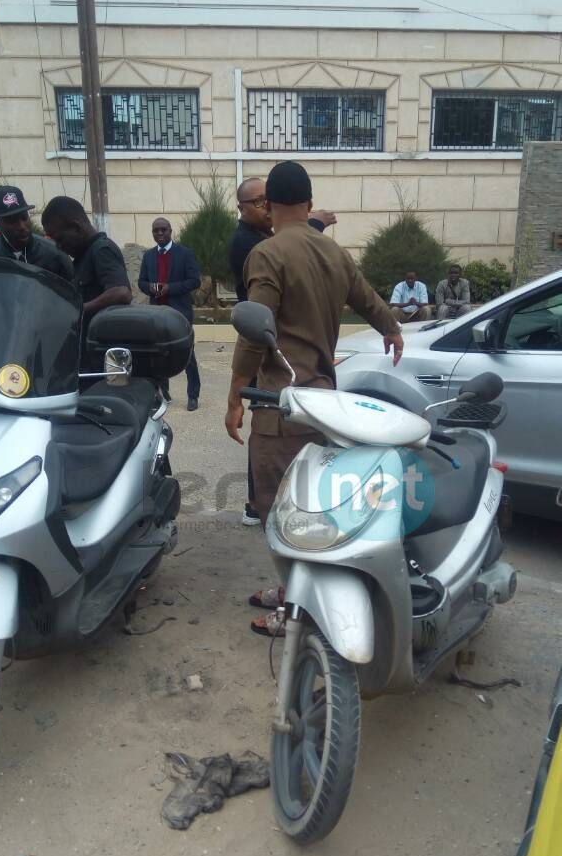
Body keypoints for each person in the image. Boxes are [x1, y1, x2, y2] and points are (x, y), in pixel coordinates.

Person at [225, 161, 403, 636]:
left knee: (276, 510)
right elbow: (368, 298)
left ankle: (296, 611)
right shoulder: (333, 252)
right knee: (309, 506)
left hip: (281, 405)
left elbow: (254, 329)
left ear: (270, 204)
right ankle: (291, 594)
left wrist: (234, 395)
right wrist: (392, 328)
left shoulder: (268, 253)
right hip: (324, 403)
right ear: (308, 201)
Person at [228, 176, 337, 525]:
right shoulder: (250, 245)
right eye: (258, 202)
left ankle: (277, 512)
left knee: (285, 440)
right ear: (243, 209)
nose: (265, 208)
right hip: (268, 352)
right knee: (268, 430)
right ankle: (260, 505)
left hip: (284, 353)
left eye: (267, 201)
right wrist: (234, 395)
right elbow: (254, 333)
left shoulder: (267, 241)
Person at [41, 196, 132, 364]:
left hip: (103, 357)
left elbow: (121, 292)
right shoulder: (84, 257)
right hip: (87, 352)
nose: (59, 247)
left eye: (60, 239)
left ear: (76, 227)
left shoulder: (101, 250)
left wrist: (77, 310)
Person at [138, 217, 201, 411]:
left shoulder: (185, 254)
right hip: (157, 314)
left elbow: (194, 281)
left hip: (179, 313)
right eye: (156, 231)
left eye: (163, 230)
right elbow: (141, 282)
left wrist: (170, 288)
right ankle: (164, 393)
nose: (160, 234)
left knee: (187, 354)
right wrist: (151, 287)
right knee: (159, 355)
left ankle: (193, 396)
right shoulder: (148, 256)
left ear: (170, 231)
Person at [0, 186, 74, 281]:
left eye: (24, 218)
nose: (21, 226)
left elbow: (74, 293)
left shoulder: (55, 254)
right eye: (12, 221)